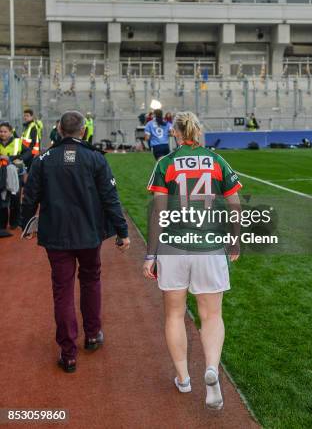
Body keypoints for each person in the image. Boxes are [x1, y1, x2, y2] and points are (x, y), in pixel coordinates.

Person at [143, 111, 242, 410]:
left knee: (174, 314)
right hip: (209, 248)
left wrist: (151, 254)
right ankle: (211, 368)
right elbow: (234, 202)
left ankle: (184, 378)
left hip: (173, 247)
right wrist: (235, 238)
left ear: (175, 133)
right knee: (211, 315)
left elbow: (159, 212)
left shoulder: (166, 163)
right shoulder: (217, 161)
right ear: (198, 131)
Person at [21, 110, 130, 373]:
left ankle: (68, 353)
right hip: (89, 234)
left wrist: (26, 224)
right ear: (83, 130)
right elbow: (110, 197)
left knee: (63, 289)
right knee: (91, 280)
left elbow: (30, 196)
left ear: (59, 129)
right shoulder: (95, 158)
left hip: (56, 235)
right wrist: (122, 231)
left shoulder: (44, 159)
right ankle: (92, 335)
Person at [0, 121, 28, 235]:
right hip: (1, 175)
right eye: (1, 131)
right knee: (2, 199)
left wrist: (15, 158)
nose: (2, 134)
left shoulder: (18, 142)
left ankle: (14, 222)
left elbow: (29, 153)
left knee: (15, 199)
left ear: (11, 132)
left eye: (5, 131)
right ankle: (2, 224)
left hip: (17, 175)